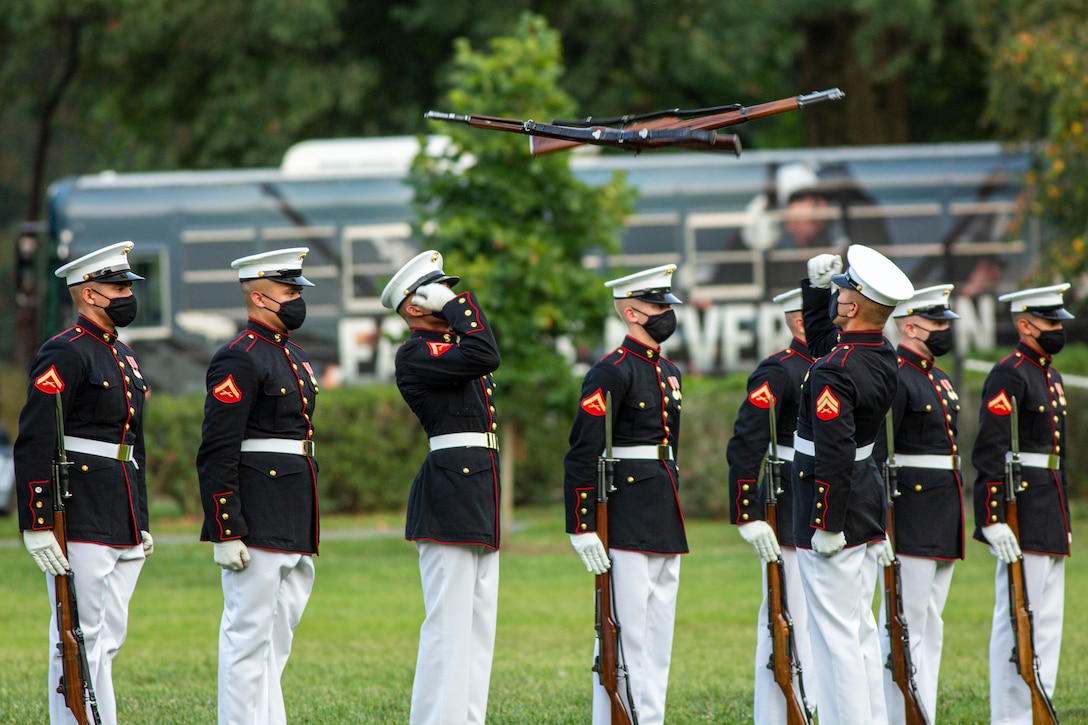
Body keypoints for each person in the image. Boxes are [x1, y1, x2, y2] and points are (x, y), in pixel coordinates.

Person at [14, 241, 153, 724]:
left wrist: (143, 517)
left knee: (107, 637)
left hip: (121, 509)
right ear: (89, 293)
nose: (127, 295)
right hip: (83, 507)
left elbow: (132, 445)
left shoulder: (123, 357)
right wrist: (36, 522)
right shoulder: (66, 352)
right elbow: (35, 437)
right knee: (77, 636)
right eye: (117, 287)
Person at [196, 247, 321, 725]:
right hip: (258, 511)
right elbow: (218, 448)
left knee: (278, 636)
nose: (296, 300)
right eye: (290, 292)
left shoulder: (292, 355)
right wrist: (226, 526)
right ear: (261, 297)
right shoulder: (239, 358)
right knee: (248, 636)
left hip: (293, 509)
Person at [791, 244, 914, 725]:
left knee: (835, 637)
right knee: (858, 629)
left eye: (840, 290)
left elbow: (834, 453)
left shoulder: (835, 370)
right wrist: (816, 289)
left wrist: (826, 520)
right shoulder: (879, 352)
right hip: (863, 496)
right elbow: (828, 343)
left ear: (854, 305)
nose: (836, 294)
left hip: (833, 504)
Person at [381, 250, 501, 725]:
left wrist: (455, 310)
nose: (448, 295)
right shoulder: (417, 353)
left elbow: (479, 351)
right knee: (448, 627)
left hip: (479, 492)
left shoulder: (452, 348)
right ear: (414, 306)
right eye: (436, 289)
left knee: (477, 628)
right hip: (450, 494)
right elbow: (486, 352)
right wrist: (461, 305)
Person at [564, 264, 687, 725]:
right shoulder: (610, 372)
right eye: (657, 306)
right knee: (626, 633)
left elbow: (671, 447)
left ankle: (649, 717)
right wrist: (581, 526)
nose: (665, 314)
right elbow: (582, 451)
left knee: (659, 633)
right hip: (627, 511)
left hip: (664, 507)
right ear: (632, 312)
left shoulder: (669, 371)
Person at [972, 283, 1073, 723]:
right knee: (1018, 616)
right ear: (1025, 323)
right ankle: (1010, 715)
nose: (1057, 328)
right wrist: (992, 517)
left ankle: (1039, 707)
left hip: (1049, 501)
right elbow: (991, 450)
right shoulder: (1009, 373)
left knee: (1047, 620)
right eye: (1050, 321)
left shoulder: (1049, 373)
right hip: (1024, 504)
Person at [726, 288, 817, 723]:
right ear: (801, 321)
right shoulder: (780, 371)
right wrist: (748, 513)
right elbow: (748, 441)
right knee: (787, 614)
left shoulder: (836, 365)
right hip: (791, 501)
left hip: (833, 504)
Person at [874, 284, 964, 723]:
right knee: (902, 622)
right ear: (910, 326)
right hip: (909, 508)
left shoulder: (937, 377)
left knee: (931, 621)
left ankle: (920, 708)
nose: (945, 330)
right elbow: (876, 448)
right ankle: (897, 713)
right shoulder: (897, 375)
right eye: (937, 322)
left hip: (941, 509)